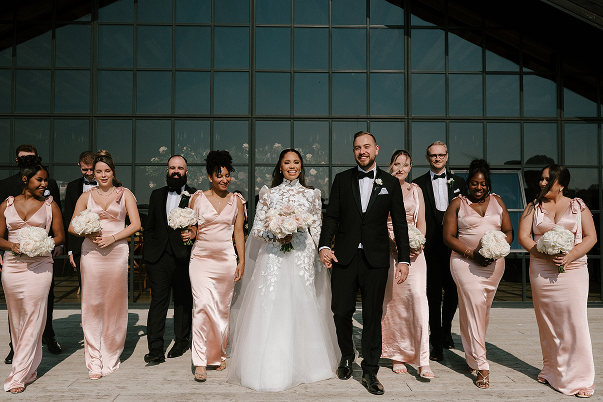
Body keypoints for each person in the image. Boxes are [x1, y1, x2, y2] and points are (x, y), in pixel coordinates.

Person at [228, 149, 338, 391]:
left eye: (296, 162)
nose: (292, 166)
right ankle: (272, 367)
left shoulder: (312, 195)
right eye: (287, 162)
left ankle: (308, 365)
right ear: (280, 166)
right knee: (273, 304)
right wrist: (277, 235)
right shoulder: (268, 194)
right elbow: (257, 230)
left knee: (302, 304)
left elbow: (317, 229)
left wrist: (323, 252)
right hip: (275, 256)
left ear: (301, 166)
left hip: (302, 256)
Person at [319, 132, 410, 396]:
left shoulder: (390, 183)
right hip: (344, 257)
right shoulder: (342, 179)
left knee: (372, 315)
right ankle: (347, 355)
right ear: (354, 151)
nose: (362, 151)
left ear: (376, 149)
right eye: (358, 147)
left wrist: (404, 258)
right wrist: (324, 246)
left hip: (376, 259)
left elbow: (400, 223)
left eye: (367, 146)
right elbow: (332, 216)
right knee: (341, 311)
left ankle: (370, 370)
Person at [518, 165, 596, 398]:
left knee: (575, 323)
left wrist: (570, 255)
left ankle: (581, 379)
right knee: (548, 324)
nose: (542, 183)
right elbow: (523, 236)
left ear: (561, 184)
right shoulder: (533, 206)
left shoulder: (578, 206)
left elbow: (591, 237)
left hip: (573, 270)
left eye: (547, 180)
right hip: (541, 270)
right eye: (541, 179)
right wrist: (543, 254)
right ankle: (551, 369)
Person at [68, 150, 141, 379]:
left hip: (117, 252)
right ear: (94, 174)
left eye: (107, 171)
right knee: (91, 303)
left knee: (114, 303)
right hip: (91, 254)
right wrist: (87, 232)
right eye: (98, 171)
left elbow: (136, 224)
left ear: (113, 172)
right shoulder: (86, 196)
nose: (102, 175)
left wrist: (113, 238)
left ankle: (110, 353)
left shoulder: (125, 194)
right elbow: (71, 226)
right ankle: (94, 359)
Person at [442, 159, 513, 389]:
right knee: (474, 305)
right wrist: (472, 253)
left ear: (488, 183)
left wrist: (498, 247)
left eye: (482, 183)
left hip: (494, 265)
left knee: (479, 311)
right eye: (474, 183)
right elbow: (448, 237)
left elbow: (508, 231)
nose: (478, 187)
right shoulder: (457, 204)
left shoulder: (498, 201)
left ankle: (472, 357)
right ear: (468, 183)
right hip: (464, 262)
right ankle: (482, 366)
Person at [0, 163, 65, 393]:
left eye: (46, 180)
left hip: (40, 265)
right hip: (12, 266)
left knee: (34, 316)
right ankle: (29, 369)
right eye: (40, 180)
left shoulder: (50, 205)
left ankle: (18, 374)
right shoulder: (7, 205)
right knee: (17, 319)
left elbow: (59, 236)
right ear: (25, 179)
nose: (44, 184)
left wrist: (41, 244)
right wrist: (13, 246)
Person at [181, 151, 245, 382]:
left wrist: (241, 260)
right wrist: (189, 234)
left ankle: (218, 354)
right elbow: (194, 229)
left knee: (221, 309)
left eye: (227, 176)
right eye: (219, 176)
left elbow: (239, 232)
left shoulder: (237, 201)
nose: (224, 180)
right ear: (210, 177)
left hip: (226, 260)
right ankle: (200, 361)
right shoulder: (197, 198)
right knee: (201, 307)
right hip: (201, 259)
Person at [412, 141, 467, 361]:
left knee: (453, 292)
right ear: (427, 158)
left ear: (447, 156)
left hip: (454, 246)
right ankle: (435, 340)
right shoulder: (418, 184)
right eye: (433, 155)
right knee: (433, 295)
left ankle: (446, 330)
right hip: (431, 247)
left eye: (441, 155)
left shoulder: (460, 183)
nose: (437, 158)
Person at [381, 150, 433, 379]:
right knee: (395, 303)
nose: (400, 168)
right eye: (396, 164)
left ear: (411, 167)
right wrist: (393, 244)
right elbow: (377, 222)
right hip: (390, 251)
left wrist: (418, 243)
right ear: (391, 165)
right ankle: (397, 355)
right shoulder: (383, 189)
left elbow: (421, 221)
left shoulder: (416, 190)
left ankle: (423, 359)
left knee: (419, 301)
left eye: (405, 164)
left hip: (415, 253)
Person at [143, 155, 195, 364]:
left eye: (180, 168)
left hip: (184, 255)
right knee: (158, 301)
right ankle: (155, 349)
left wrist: (191, 235)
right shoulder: (156, 195)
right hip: (158, 257)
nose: (176, 171)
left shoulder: (195, 196)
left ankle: (181, 341)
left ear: (186, 171)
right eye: (172, 168)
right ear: (167, 170)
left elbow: (200, 225)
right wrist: (149, 253)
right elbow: (149, 227)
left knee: (183, 301)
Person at [64, 151, 97, 293]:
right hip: (80, 245)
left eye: (91, 169)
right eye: (85, 169)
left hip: (104, 242)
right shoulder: (72, 187)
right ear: (79, 166)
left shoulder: (112, 185)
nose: (89, 173)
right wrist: (71, 250)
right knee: (85, 288)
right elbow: (69, 219)